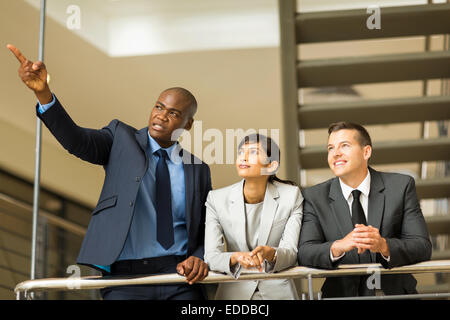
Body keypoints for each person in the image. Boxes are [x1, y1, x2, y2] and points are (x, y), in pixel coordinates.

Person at [8, 44, 211, 300]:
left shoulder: (198, 169)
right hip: (125, 278)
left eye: (173, 113)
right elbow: (77, 141)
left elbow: (207, 227)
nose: (161, 116)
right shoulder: (121, 138)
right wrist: (44, 94)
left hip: (179, 277)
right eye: (158, 107)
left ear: (187, 124)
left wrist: (199, 257)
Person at [298, 121, 432, 298]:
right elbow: (305, 252)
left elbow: (422, 246)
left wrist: (384, 246)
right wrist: (338, 246)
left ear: (366, 151)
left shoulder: (400, 187)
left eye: (344, 145)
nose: (335, 153)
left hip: (393, 294)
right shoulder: (314, 197)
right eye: (330, 148)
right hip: (341, 296)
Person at [204, 133, 303, 300]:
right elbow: (211, 256)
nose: (243, 157)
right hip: (234, 295)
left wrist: (270, 254)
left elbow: (291, 252)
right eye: (241, 152)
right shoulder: (216, 199)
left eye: (253, 152)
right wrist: (235, 257)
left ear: (271, 166)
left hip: (278, 293)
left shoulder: (291, 196)